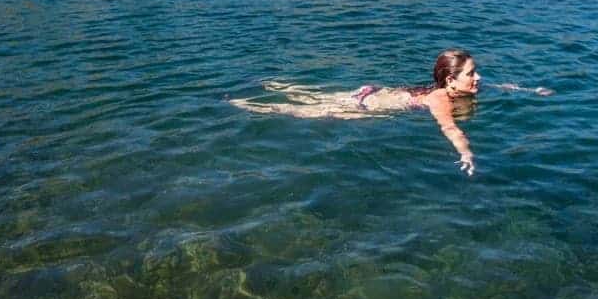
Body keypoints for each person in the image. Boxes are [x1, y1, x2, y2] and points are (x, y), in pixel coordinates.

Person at [230, 49, 552, 178]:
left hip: (373, 90)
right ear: (451, 80)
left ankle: (271, 82)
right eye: (472, 73)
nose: (479, 77)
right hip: (368, 105)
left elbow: (501, 85)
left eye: (477, 71)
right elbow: (450, 129)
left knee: (315, 96)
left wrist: (529, 91)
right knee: (309, 112)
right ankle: (249, 104)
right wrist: (467, 154)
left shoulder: (463, 87)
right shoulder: (440, 98)